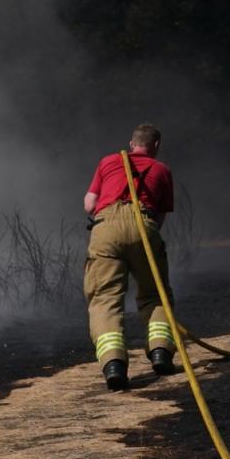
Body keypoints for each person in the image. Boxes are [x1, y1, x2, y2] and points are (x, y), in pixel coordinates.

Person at [83, 123, 176, 390]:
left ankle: (114, 365)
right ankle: (160, 352)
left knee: (105, 299)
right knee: (154, 294)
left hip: (105, 228)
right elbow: (160, 217)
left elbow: (89, 204)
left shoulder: (108, 161)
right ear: (155, 145)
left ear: (131, 143)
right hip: (144, 225)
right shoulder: (162, 170)